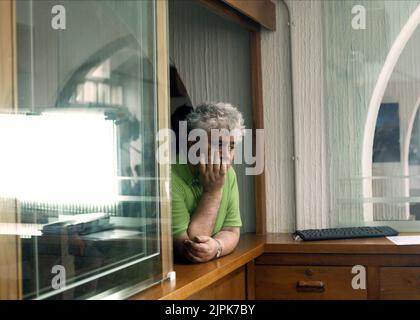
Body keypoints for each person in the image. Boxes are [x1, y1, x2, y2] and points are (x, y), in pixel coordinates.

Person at [171, 102, 244, 263]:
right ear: (193, 144)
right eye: (219, 144)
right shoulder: (169, 178)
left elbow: (231, 230)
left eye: (231, 147)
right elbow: (192, 249)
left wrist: (217, 247)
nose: (226, 155)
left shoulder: (229, 174)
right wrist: (213, 192)